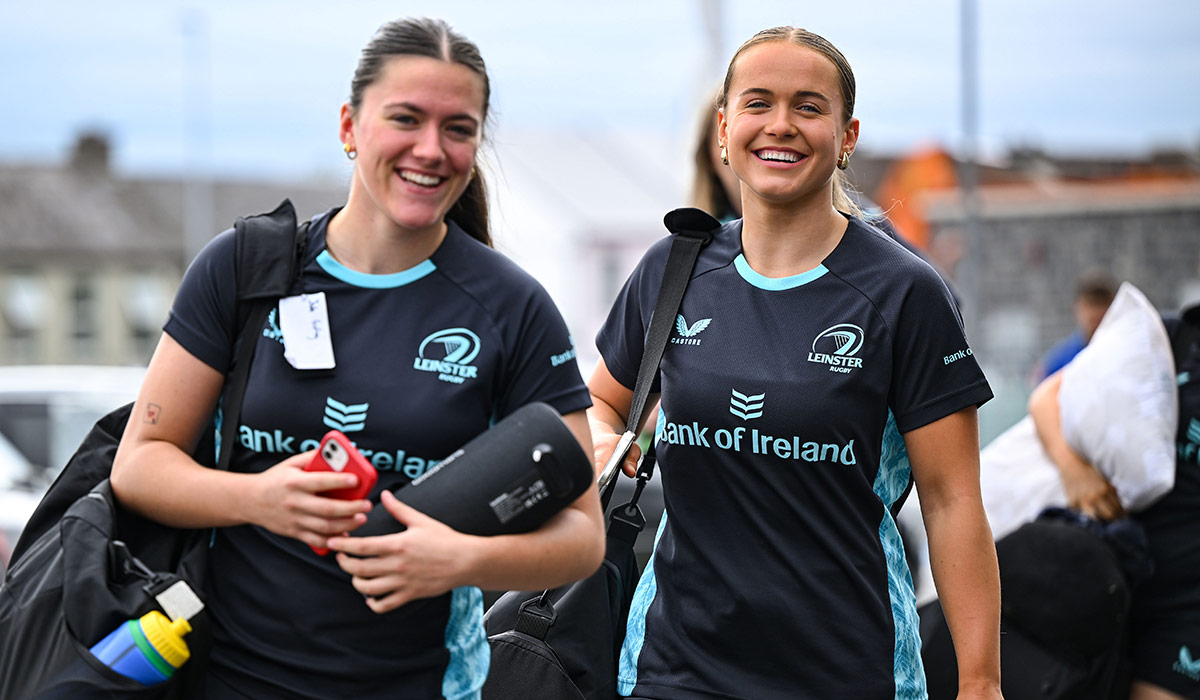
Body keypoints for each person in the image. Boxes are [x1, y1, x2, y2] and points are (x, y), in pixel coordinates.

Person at [110, 17, 604, 700]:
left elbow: (583, 537)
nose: (431, 149)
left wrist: (460, 559)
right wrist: (259, 498)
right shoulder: (244, 269)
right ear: (349, 126)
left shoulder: (511, 306)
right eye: (406, 118)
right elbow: (139, 465)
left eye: (458, 128)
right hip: (226, 679)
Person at [588, 26, 1003, 700]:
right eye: (758, 104)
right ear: (724, 128)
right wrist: (606, 438)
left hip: (848, 671)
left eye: (809, 107)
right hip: (673, 670)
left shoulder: (905, 293)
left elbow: (953, 501)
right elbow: (599, 401)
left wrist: (981, 683)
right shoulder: (676, 267)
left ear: (847, 136)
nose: (780, 125)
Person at [1029, 302, 1200, 700]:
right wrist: (1075, 470)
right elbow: (1046, 399)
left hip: (1184, 615)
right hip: (1096, 578)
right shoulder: (1173, 337)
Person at [1032, 268, 1118, 382]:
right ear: (1077, 308)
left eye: (1103, 303)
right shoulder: (1059, 363)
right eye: (1091, 303)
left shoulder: (1124, 356)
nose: (1097, 312)